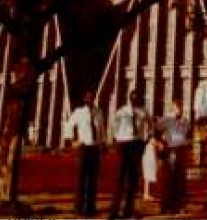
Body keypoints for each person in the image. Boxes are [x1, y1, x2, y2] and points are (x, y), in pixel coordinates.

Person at [109, 89, 153, 219]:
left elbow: (151, 126)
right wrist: (117, 139)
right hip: (124, 145)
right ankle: (114, 212)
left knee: (133, 180)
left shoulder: (143, 111)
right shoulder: (122, 112)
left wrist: (145, 141)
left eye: (138, 97)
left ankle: (128, 211)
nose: (135, 99)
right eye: (133, 97)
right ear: (129, 98)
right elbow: (113, 126)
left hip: (137, 145)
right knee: (120, 179)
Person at [64, 89, 104, 217]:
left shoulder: (99, 112)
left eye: (92, 97)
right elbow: (69, 125)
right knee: (81, 179)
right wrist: (72, 142)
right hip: (83, 149)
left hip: (94, 149)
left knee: (93, 180)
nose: (90, 99)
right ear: (84, 99)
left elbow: (101, 130)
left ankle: (90, 208)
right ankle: (79, 208)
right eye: (87, 97)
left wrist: (102, 144)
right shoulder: (79, 112)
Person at [156, 100, 191, 214]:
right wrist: (160, 143)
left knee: (180, 179)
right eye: (176, 107)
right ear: (172, 108)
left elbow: (188, 134)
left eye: (180, 107)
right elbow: (155, 131)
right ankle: (165, 205)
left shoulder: (186, 121)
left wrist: (187, 144)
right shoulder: (166, 119)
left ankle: (178, 205)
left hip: (181, 150)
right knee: (168, 179)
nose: (179, 109)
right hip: (170, 150)